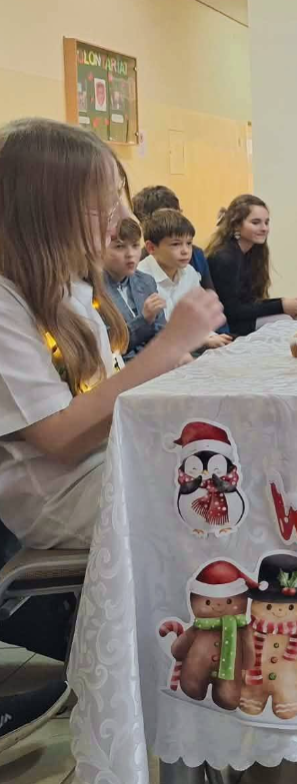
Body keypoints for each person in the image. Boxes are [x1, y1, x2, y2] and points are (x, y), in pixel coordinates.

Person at [0, 118, 225, 549]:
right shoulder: (6, 303)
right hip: (61, 494)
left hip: (100, 463)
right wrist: (168, 347)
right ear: (44, 211)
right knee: (219, 502)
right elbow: (60, 439)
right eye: (103, 203)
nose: (123, 218)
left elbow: (101, 395)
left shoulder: (70, 287)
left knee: (232, 460)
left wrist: (170, 372)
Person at [130, 183, 230, 335]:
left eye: (188, 243)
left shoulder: (190, 267)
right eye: (176, 244)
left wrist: (215, 336)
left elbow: (205, 311)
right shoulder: (139, 272)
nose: (185, 250)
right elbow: (152, 329)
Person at [205, 194, 297, 337]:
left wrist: (284, 304)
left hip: (243, 320)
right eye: (256, 222)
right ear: (236, 225)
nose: (264, 228)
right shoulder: (224, 258)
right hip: (227, 327)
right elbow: (231, 310)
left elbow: (251, 301)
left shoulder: (253, 253)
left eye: (266, 222)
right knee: (287, 324)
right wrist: (280, 305)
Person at [102, 217, 166, 360]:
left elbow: (161, 330)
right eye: (119, 246)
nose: (130, 254)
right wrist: (144, 320)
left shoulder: (146, 281)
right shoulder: (92, 290)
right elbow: (108, 345)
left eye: (135, 245)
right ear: (100, 250)